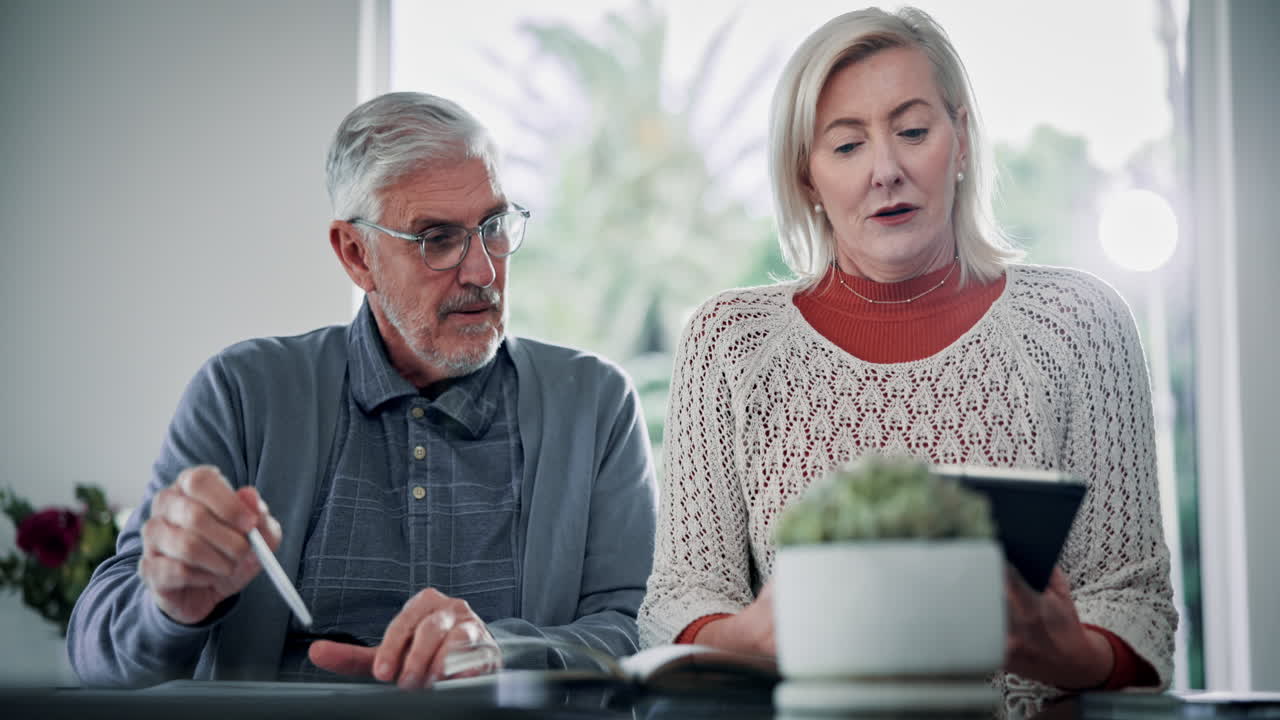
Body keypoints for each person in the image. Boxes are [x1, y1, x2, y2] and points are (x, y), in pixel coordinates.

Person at [637, 7, 1176, 717]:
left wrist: (1071, 651)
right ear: (807, 177)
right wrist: (750, 637)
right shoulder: (729, 342)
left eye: (914, 132)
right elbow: (678, 599)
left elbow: (1136, 601)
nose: (885, 171)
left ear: (961, 140)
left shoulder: (1080, 323)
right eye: (846, 145)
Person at [68, 92, 658, 689]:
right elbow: (96, 657)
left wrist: (504, 652)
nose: (483, 270)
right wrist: (171, 608)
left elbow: (641, 631)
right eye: (437, 238)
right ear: (356, 255)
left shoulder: (595, 403)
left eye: (494, 227)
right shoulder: (243, 393)